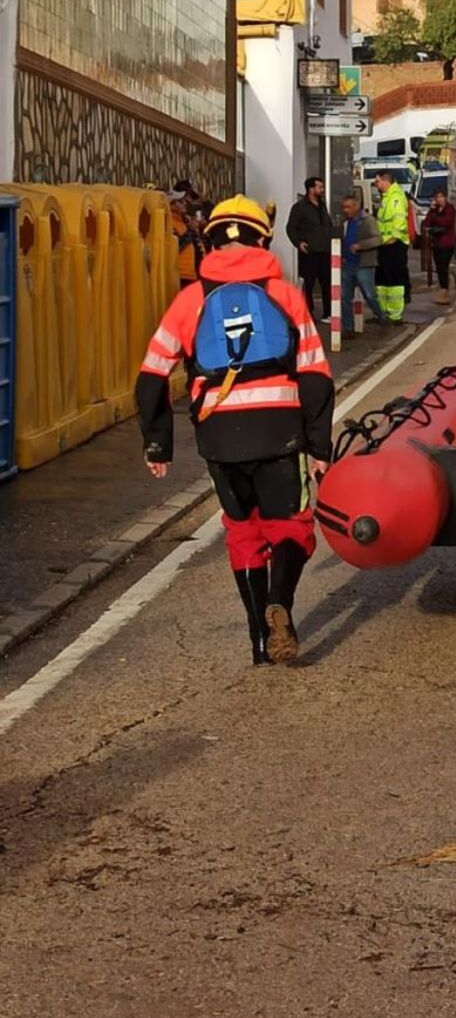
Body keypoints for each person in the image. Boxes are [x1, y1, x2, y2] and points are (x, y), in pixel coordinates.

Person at [136, 195, 333, 666]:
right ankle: (280, 603)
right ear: (262, 240)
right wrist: (320, 445)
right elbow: (314, 373)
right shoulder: (284, 295)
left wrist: (158, 441)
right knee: (291, 526)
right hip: (279, 430)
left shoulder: (190, 300)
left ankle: (259, 643)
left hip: (219, 437)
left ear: (210, 240)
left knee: (243, 532)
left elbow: (151, 375)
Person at [286, 176, 333, 319]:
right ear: (311, 189)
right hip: (309, 253)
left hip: (324, 252)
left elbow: (327, 225)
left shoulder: (322, 206)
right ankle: (308, 313)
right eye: (320, 187)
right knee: (308, 284)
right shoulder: (299, 208)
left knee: (327, 284)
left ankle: (328, 313)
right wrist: (299, 243)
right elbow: (290, 228)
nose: (322, 190)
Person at [339, 193, 385, 327]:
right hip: (347, 264)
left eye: (348, 207)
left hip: (363, 264)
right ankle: (348, 327)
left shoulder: (368, 220)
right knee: (345, 298)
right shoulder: (344, 222)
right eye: (343, 207)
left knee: (369, 295)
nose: (345, 210)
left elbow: (377, 239)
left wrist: (360, 246)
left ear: (356, 207)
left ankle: (381, 316)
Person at [374, 169, 411, 323]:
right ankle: (383, 312)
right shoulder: (387, 196)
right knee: (382, 280)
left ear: (385, 181)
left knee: (394, 280)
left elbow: (399, 223)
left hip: (394, 245)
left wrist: (392, 239)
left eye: (377, 181)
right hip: (384, 244)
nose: (376, 184)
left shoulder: (395, 197)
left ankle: (395, 315)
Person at [423, 187, 456, 306]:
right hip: (436, 243)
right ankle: (443, 288)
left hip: (447, 243)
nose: (440, 199)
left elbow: (447, 222)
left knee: (444, 266)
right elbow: (427, 223)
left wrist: (435, 222)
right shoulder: (435, 210)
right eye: (437, 197)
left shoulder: (450, 209)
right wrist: (432, 211)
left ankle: (445, 290)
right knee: (439, 267)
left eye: (441, 197)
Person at [168, 189, 201, 285]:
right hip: (180, 274)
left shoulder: (183, 220)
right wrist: (191, 229)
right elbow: (177, 246)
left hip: (190, 273)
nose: (185, 204)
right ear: (171, 205)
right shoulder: (168, 222)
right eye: (180, 201)